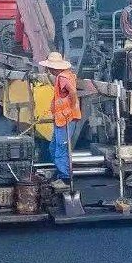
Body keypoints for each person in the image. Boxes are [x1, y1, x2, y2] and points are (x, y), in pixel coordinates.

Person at [39, 51, 81, 188]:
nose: (49, 70)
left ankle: (65, 179)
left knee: (60, 148)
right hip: (61, 119)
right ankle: (61, 173)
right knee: (53, 147)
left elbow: (73, 92)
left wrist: (71, 107)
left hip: (66, 118)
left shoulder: (62, 77)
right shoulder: (66, 75)